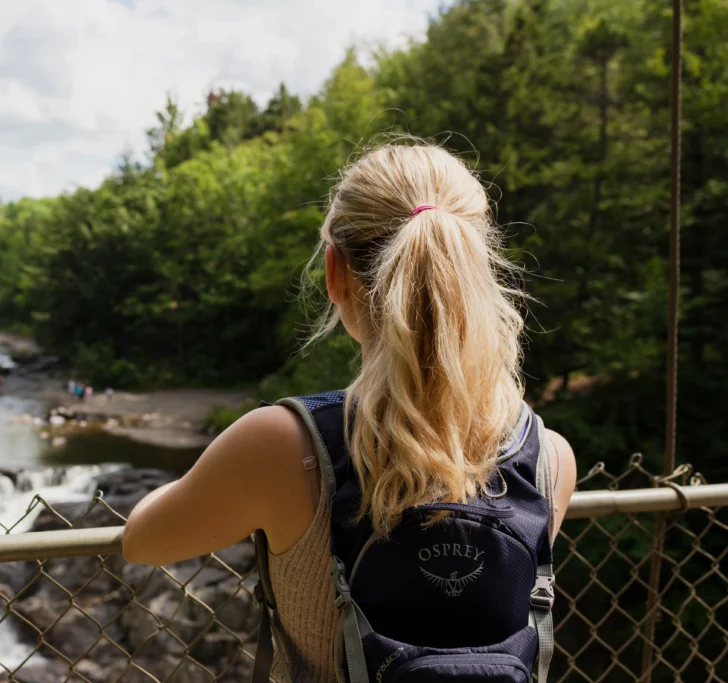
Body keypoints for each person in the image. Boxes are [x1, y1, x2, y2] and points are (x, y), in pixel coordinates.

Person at [123, 143, 576, 683]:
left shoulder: (283, 444)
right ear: (475, 269)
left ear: (334, 273)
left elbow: (142, 541)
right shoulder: (547, 458)